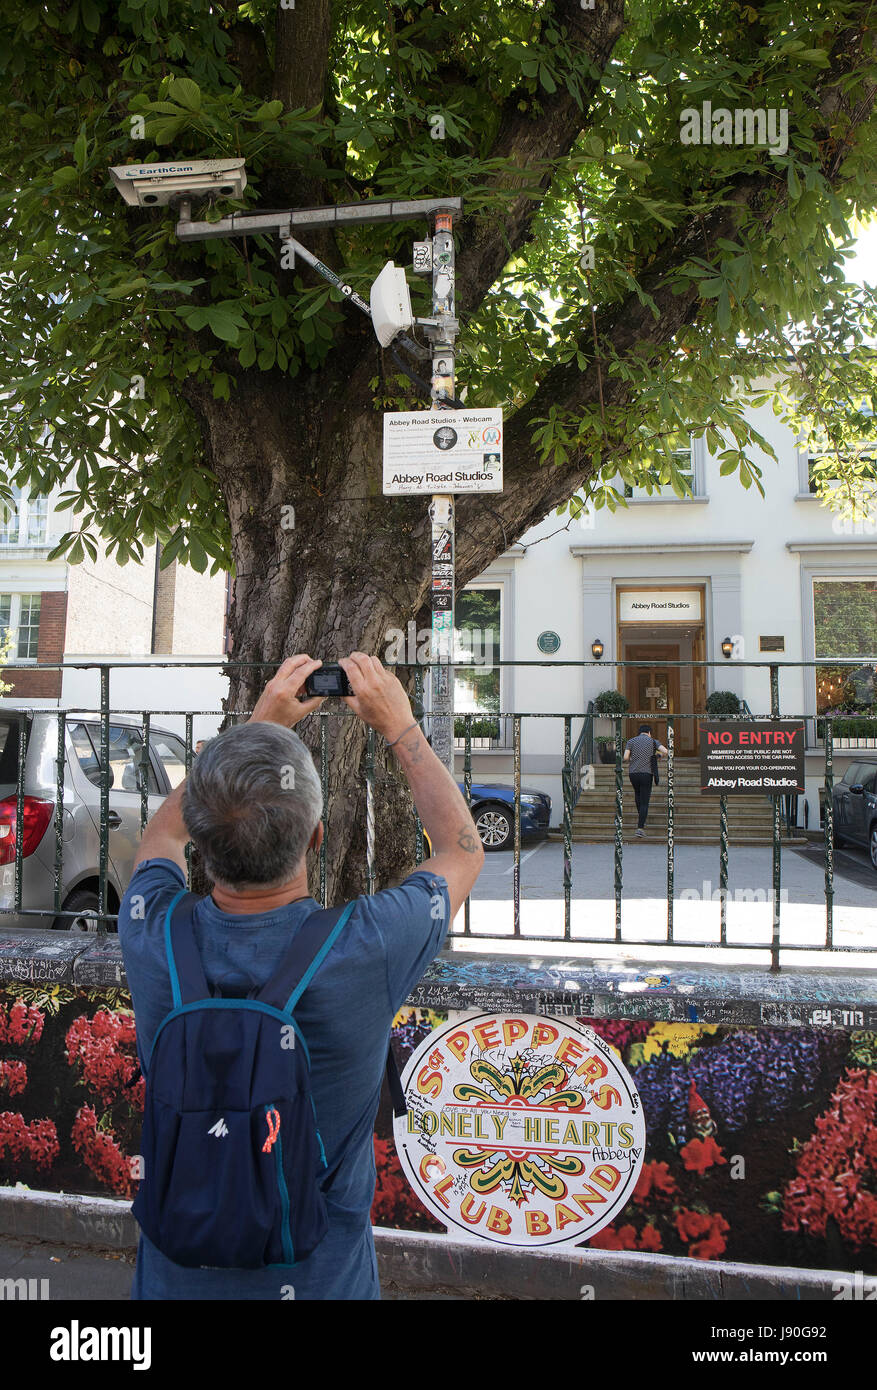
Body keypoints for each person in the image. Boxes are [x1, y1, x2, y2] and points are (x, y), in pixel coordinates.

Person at [118, 652, 484, 1300]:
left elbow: (157, 842)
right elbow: (461, 848)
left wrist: (256, 724)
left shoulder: (153, 934)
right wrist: (399, 726)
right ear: (316, 838)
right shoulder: (365, 946)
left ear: (203, 839)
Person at [623, 723, 668, 838]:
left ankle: (641, 819)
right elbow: (666, 751)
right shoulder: (653, 741)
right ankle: (640, 828)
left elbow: (625, 758)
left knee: (637, 796)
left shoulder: (631, 741)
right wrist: (658, 755)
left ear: (639, 732)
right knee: (644, 801)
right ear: (649, 733)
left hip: (633, 773)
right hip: (646, 774)